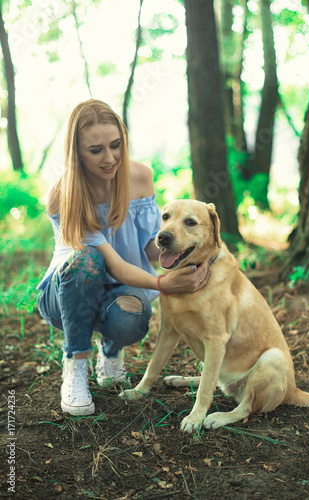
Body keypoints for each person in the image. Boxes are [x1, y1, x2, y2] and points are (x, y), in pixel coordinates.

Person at [37, 99, 210, 416]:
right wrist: (164, 283)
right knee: (85, 261)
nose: (109, 158)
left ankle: (111, 351)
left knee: (130, 318)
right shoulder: (64, 192)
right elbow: (112, 264)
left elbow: (150, 248)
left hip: (120, 291)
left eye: (116, 146)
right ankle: (75, 366)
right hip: (65, 293)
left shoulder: (140, 177)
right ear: (76, 151)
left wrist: (192, 250)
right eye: (96, 150)